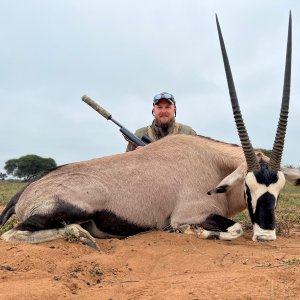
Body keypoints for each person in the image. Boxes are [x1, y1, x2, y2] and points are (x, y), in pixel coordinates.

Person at [126, 92, 197, 151]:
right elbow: (126, 164)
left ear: (174, 110)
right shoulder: (139, 135)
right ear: (154, 110)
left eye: (168, 107)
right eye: (159, 107)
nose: (163, 111)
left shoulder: (188, 133)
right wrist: (136, 156)